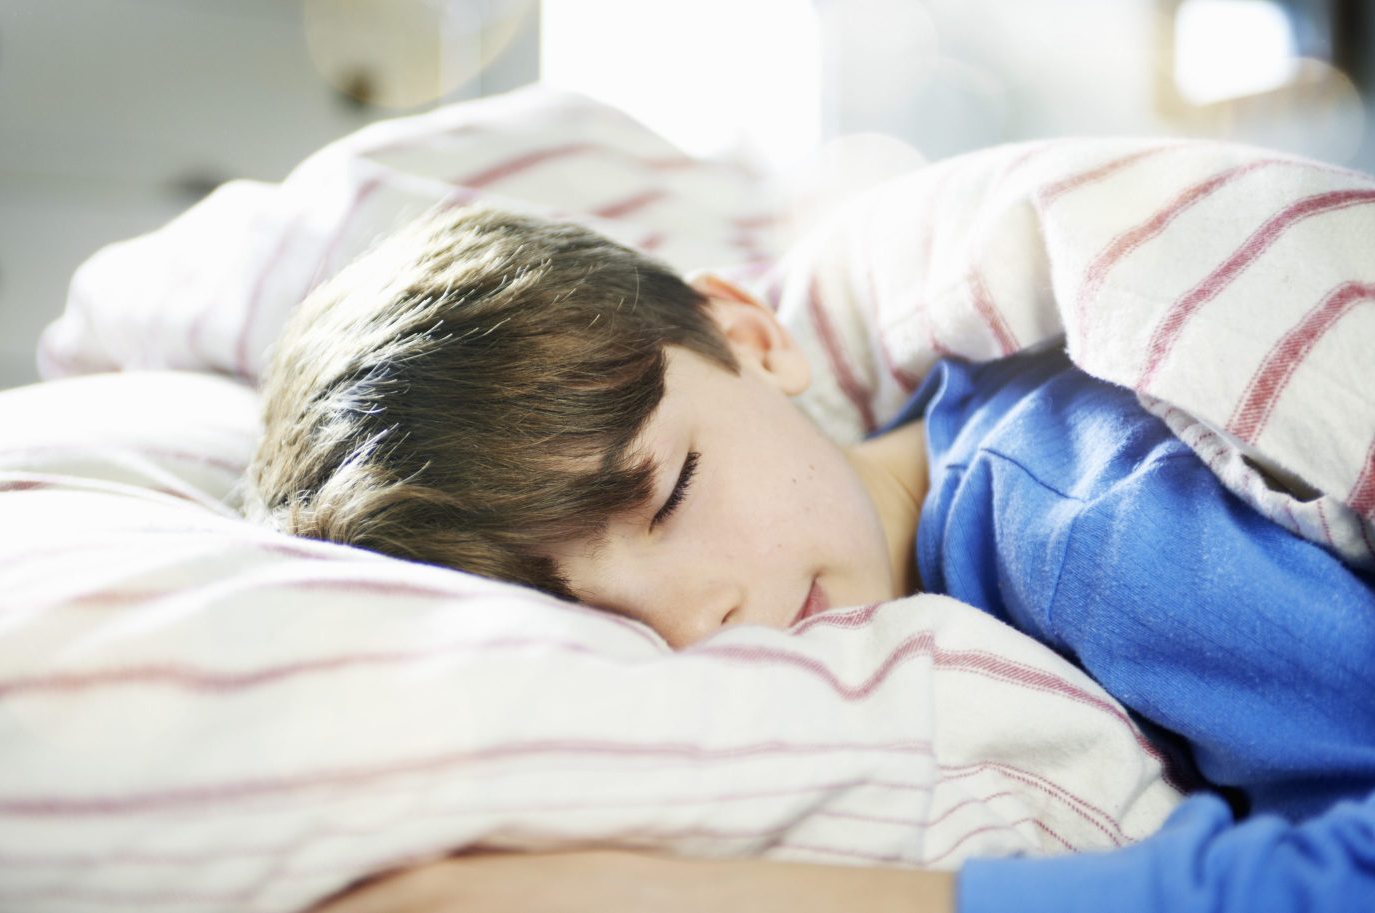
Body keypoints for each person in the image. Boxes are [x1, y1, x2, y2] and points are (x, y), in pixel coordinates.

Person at [243, 205, 1375, 913]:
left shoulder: (1077, 517)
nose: (702, 621)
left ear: (749, 335)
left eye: (674, 491)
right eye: (601, 621)